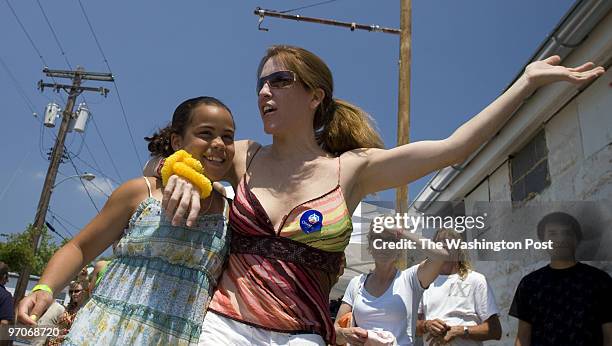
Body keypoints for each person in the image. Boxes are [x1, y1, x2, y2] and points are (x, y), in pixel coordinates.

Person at [161, 45, 604, 345]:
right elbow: (166, 156)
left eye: (279, 81)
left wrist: (526, 83)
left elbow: (456, 148)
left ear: (315, 95)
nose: (263, 92)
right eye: (260, 83)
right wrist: (179, 174)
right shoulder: (242, 155)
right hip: (224, 326)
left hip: (302, 334)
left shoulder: (353, 169)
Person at [17, 96, 235, 345]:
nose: (219, 143)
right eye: (206, 133)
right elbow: (80, 247)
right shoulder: (141, 192)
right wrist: (44, 289)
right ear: (177, 141)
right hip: (103, 333)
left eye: (228, 136)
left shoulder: (230, 212)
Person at [334, 223, 450, 346]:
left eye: (390, 240)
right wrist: (344, 333)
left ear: (399, 247)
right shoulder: (356, 283)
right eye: (378, 240)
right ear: (370, 247)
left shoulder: (410, 279)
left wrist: (400, 231)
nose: (384, 245)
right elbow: (334, 331)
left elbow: (441, 255)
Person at [510, 212, 612, 346]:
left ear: (577, 239)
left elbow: (609, 335)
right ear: (543, 241)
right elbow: (523, 338)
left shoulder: (599, 280)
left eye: (567, 233)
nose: (561, 239)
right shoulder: (529, 284)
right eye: (552, 234)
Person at [416, 229, 501, 346]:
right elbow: (411, 326)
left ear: (459, 249)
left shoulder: (476, 280)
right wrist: (426, 325)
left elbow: (495, 331)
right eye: (438, 243)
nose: (443, 244)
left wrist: (460, 331)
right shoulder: (423, 282)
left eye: (449, 241)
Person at [44, 280, 88, 346]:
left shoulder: (86, 310)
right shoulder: (68, 308)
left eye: (76, 291)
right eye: (71, 292)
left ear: (84, 291)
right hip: (53, 342)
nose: (73, 294)